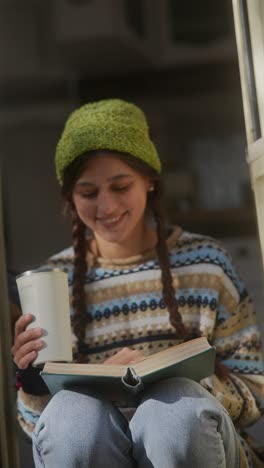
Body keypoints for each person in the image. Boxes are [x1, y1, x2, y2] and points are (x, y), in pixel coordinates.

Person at [12, 98, 264, 467]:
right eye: (88, 193)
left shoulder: (206, 264)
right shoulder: (54, 281)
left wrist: (170, 384)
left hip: (199, 447)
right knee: (71, 418)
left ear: (149, 181)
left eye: (120, 185)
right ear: (70, 197)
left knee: (172, 414)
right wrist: (32, 379)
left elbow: (255, 390)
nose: (106, 206)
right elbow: (41, 428)